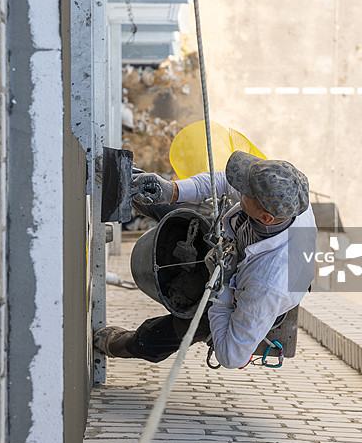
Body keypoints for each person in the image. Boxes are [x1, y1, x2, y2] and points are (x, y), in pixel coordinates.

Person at [94, 150, 317, 369]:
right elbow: (224, 181)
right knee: (161, 198)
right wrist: (172, 190)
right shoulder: (286, 199)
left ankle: (120, 344)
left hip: (243, 292)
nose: (239, 189)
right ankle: (114, 175)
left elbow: (232, 356)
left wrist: (223, 285)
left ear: (266, 217)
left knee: (170, 332)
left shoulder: (266, 286)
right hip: (234, 244)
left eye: (244, 191)